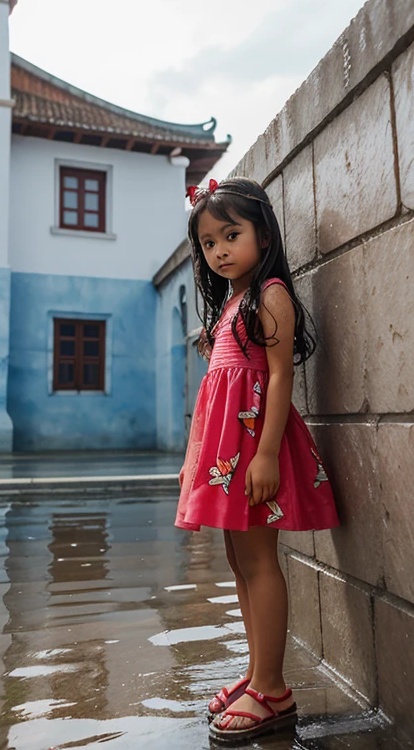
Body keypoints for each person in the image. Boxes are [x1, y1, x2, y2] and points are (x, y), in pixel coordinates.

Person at [175, 176, 340, 742]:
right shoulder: (231, 304)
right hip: (223, 453)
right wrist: (194, 456)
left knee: (259, 561)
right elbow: (212, 390)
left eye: (231, 235)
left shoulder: (270, 293)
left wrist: (266, 454)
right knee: (239, 562)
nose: (219, 250)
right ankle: (256, 673)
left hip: (250, 450)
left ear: (262, 233)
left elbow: (276, 376)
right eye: (208, 243)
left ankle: (272, 688)